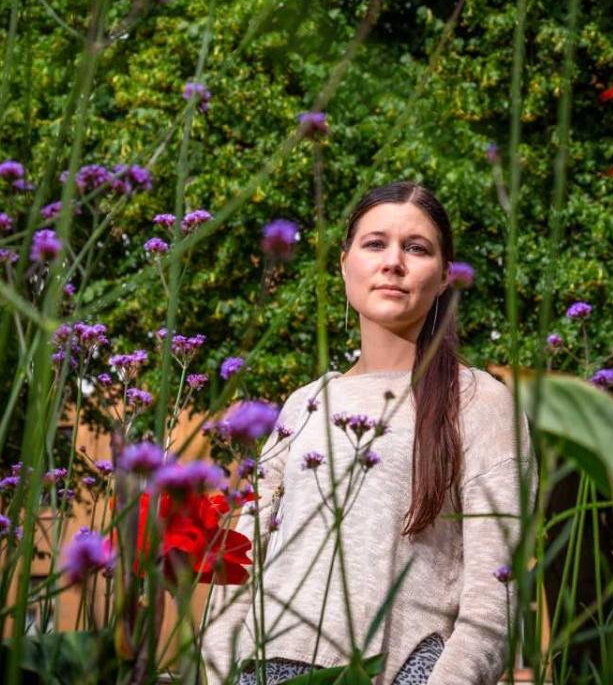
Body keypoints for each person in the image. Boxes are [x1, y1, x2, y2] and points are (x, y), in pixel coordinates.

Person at [202, 181, 536, 684]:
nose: (394, 262)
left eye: (417, 248)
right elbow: (242, 560)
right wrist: (220, 668)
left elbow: (496, 596)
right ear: (344, 263)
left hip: (398, 669)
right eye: (375, 243)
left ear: (445, 276)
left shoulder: (481, 402)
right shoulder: (305, 404)